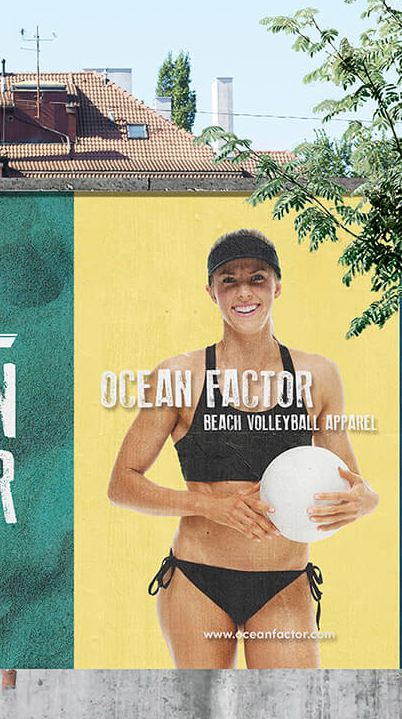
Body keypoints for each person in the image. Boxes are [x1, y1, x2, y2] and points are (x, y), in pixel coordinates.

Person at [107, 228, 378, 669]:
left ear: (277, 286)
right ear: (211, 291)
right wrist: (210, 506)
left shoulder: (318, 375)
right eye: (228, 280)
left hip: (284, 581)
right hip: (197, 580)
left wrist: (367, 500)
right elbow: (121, 484)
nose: (244, 291)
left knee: (289, 718)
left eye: (257, 277)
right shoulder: (180, 375)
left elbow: (349, 480)